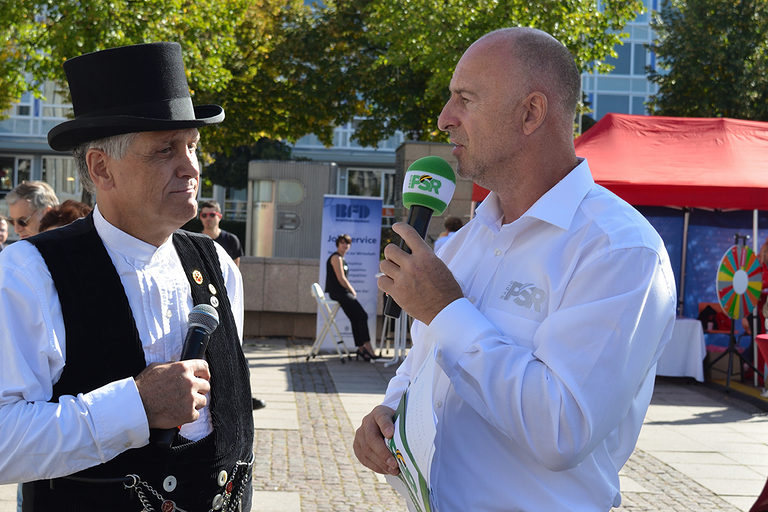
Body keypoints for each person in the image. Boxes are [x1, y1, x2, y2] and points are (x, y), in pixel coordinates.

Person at [353, 27, 676, 511]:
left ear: (531, 113)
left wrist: (446, 309)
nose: (444, 119)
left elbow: (562, 430)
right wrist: (389, 411)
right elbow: (424, 364)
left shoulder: (620, 251)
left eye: (464, 99)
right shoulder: (463, 242)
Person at [0, 42, 254, 512]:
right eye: (164, 150)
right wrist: (134, 406)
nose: (191, 168)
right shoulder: (29, 274)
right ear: (101, 168)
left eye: (193, 147)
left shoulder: (217, 264)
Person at [326, 233, 377, 361]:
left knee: (356, 319)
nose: (345, 245)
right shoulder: (336, 258)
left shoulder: (342, 259)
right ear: (338, 244)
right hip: (339, 292)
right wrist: (352, 289)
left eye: (347, 243)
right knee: (362, 315)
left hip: (342, 292)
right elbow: (341, 278)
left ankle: (361, 349)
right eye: (342, 242)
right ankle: (369, 348)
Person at [199, 199, 243, 266]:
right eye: (204, 215)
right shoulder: (195, 240)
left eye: (212, 215)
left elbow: (235, 270)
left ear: (219, 217)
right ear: (200, 217)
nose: (208, 218)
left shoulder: (231, 240)